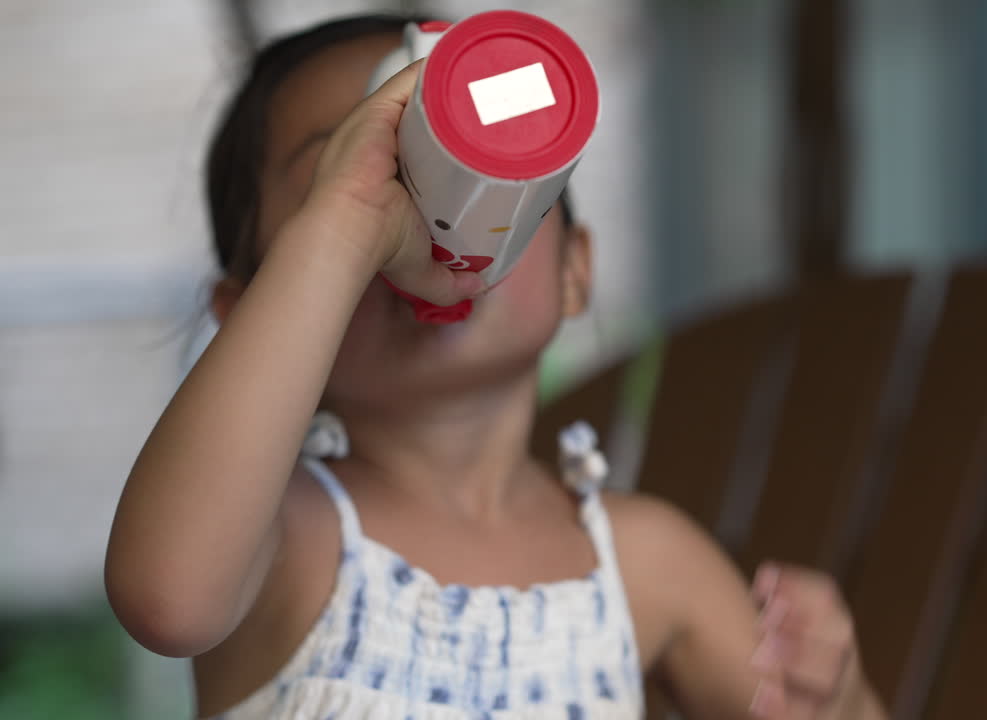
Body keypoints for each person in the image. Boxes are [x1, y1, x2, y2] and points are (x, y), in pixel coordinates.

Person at [104, 14, 885, 720]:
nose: (429, 229)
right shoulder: (283, 541)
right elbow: (168, 599)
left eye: (493, 182)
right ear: (250, 311)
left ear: (575, 269)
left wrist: (837, 698)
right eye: (346, 175)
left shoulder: (647, 564)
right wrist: (347, 224)